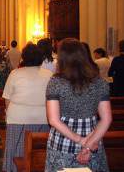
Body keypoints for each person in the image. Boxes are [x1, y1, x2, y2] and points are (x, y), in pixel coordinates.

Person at [45, 38, 112, 171]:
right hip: (93, 138)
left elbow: (53, 120)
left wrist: (81, 141)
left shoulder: (56, 82)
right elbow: (106, 119)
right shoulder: (99, 82)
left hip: (62, 141)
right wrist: (88, 145)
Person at [2, 43, 52, 172]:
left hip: (18, 118)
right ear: (40, 58)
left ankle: (12, 169)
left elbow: (7, 98)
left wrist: (8, 113)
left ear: (24, 58)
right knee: (39, 150)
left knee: (16, 148)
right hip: (44, 118)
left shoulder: (15, 73)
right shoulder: (49, 75)